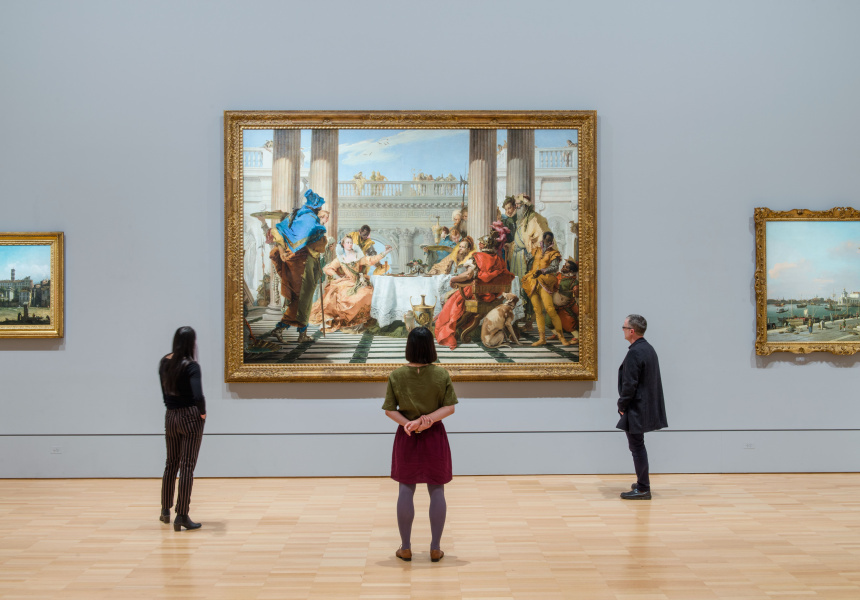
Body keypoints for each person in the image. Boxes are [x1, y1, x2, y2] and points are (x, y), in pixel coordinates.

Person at [382, 327, 458, 562]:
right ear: (431, 347)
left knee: (406, 488)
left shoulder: (396, 375)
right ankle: (435, 548)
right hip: (434, 437)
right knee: (437, 489)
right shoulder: (441, 375)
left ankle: (405, 547)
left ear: (409, 347)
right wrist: (427, 421)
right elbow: (450, 407)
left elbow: (389, 410)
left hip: (407, 437)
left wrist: (410, 424)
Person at [159, 326, 206, 530]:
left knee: (171, 463)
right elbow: (197, 395)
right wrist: (202, 413)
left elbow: (164, 390)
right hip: (190, 417)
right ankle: (182, 515)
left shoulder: (164, 362)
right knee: (187, 466)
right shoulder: (192, 366)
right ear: (191, 343)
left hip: (170, 416)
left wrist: (170, 408)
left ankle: (165, 510)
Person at [617, 314, 668, 500]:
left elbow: (630, 384)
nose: (622, 330)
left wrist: (621, 404)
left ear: (631, 331)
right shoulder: (648, 348)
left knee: (637, 447)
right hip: (644, 406)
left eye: (623, 327)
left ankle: (643, 488)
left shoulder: (635, 352)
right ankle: (641, 482)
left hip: (636, 408)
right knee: (638, 446)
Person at [434, 233, 514, 350]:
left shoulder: (477, 257)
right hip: (493, 296)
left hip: (478, 295)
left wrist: (454, 279)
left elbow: (468, 275)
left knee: (451, 299)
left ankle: (450, 327)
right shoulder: (499, 259)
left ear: (481, 246)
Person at [269, 189, 328, 343]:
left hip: (298, 263)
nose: (320, 210)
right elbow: (318, 243)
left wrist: (282, 250)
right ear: (315, 208)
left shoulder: (295, 216)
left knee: (303, 300)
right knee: (301, 300)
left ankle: (302, 334)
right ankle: (280, 329)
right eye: (319, 208)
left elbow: (277, 231)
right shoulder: (311, 220)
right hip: (302, 264)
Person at [308, 236, 392, 332]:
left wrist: (385, 252)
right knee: (345, 296)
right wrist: (338, 277)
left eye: (351, 242)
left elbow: (371, 260)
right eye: (347, 242)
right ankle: (348, 321)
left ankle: (360, 321)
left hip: (358, 281)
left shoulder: (357, 256)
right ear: (343, 245)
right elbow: (328, 268)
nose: (350, 244)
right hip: (346, 282)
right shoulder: (340, 258)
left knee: (368, 293)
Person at [523, 232, 571, 346]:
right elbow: (528, 260)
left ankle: (561, 338)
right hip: (533, 281)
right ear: (543, 239)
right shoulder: (536, 250)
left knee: (550, 309)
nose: (549, 242)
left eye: (551, 240)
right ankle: (541, 338)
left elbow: (554, 267)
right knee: (537, 310)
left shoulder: (554, 253)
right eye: (547, 239)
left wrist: (542, 271)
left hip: (546, 281)